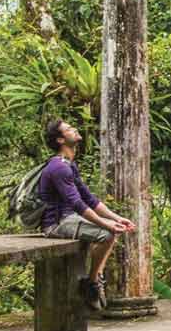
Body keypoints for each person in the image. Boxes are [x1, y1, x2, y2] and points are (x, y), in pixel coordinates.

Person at [38, 118, 135, 312]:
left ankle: (94, 277)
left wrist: (116, 218)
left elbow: (89, 199)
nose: (74, 129)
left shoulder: (69, 165)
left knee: (111, 229)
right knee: (106, 234)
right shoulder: (58, 168)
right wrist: (107, 225)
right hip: (57, 224)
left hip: (70, 218)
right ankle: (91, 284)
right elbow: (77, 204)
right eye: (68, 129)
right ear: (60, 140)